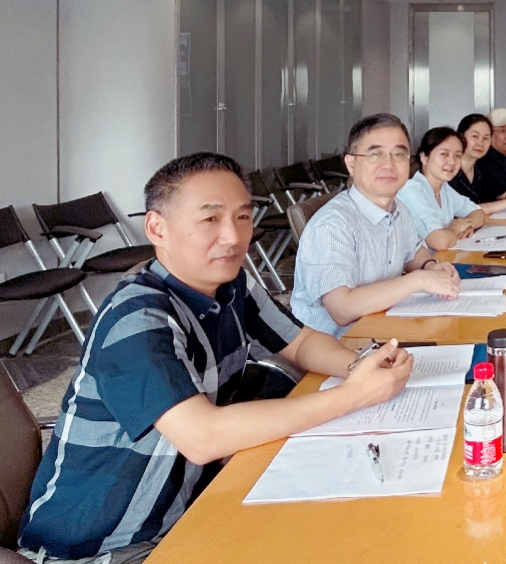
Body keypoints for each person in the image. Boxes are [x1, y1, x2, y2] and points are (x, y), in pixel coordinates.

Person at [19, 153, 414, 563]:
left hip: (187, 511)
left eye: (242, 216)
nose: (232, 236)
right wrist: (353, 395)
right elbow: (202, 437)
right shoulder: (136, 318)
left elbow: (298, 343)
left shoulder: (229, 283)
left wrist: (357, 366)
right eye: (210, 218)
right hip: (102, 547)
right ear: (157, 228)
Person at [292, 113, 461, 337]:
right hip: (337, 345)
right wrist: (420, 280)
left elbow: (412, 252)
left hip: (381, 330)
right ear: (351, 163)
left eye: (398, 154)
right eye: (375, 154)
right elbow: (342, 309)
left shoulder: (398, 208)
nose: (389, 165)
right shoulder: (332, 225)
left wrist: (430, 266)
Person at [395, 126, 490, 249]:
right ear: (424, 158)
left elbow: (478, 213)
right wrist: (455, 229)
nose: (452, 161)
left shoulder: (444, 188)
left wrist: (466, 225)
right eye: (444, 154)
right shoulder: (411, 190)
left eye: (457, 155)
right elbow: (439, 242)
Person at [448, 113, 506, 213]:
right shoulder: (448, 168)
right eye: (475, 136)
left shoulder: (482, 166)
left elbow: (505, 190)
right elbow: (461, 211)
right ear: (461, 137)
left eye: (486, 138)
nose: (480, 143)